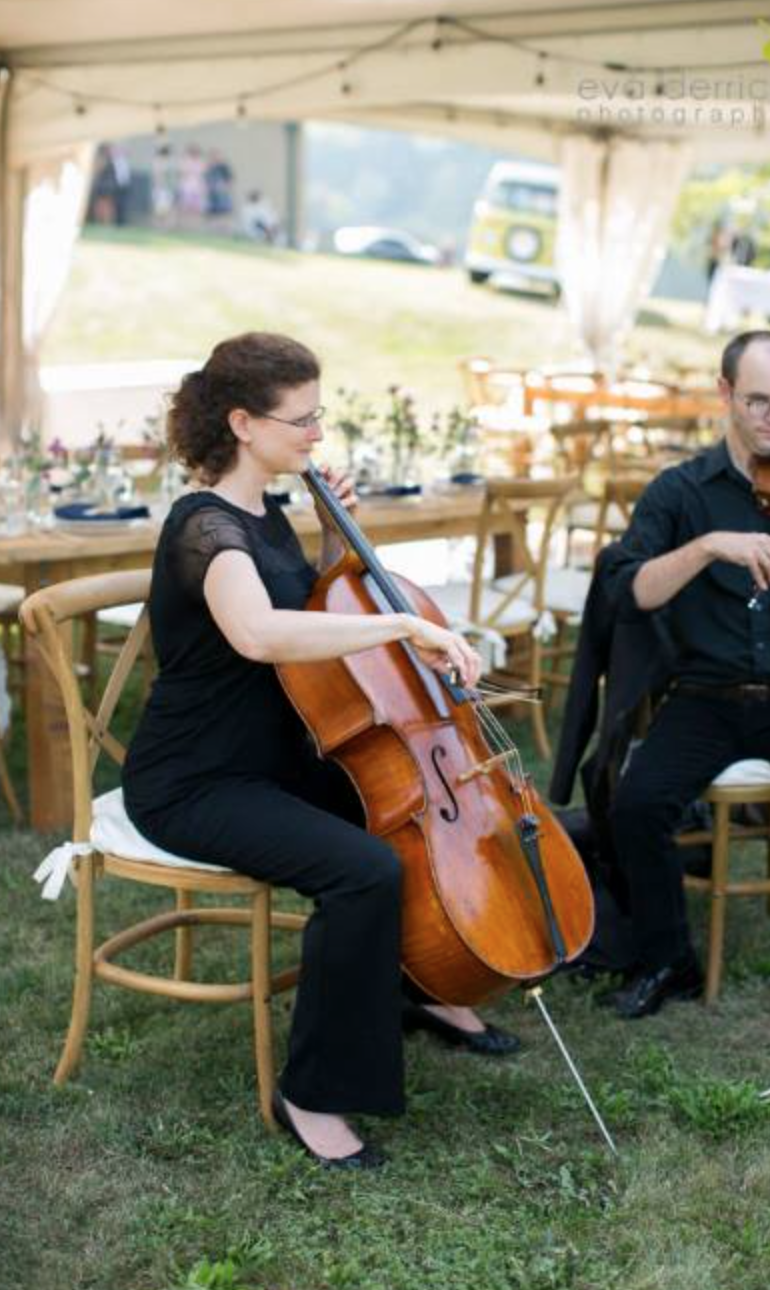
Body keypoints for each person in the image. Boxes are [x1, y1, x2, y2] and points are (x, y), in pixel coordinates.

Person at [121, 332, 519, 1170]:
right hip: (195, 779)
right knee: (363, 870)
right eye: (299, 419)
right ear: (241, 421)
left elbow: (314, 608)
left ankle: (423, 987)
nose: (315, 435)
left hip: (272, 756)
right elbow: (261, 633)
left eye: (318, 415)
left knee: (401, 817)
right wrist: (405, 622)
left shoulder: (271, 512)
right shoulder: (204, 527)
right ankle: (312, 1090)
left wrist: (342, 536)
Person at [604, 330, 770, 1044]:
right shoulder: (680, 492)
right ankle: (666, 960)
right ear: (725, 395)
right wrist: (711, 545)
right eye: (759, 402)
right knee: (637, 802)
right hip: (706, 696)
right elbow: (631, 592)